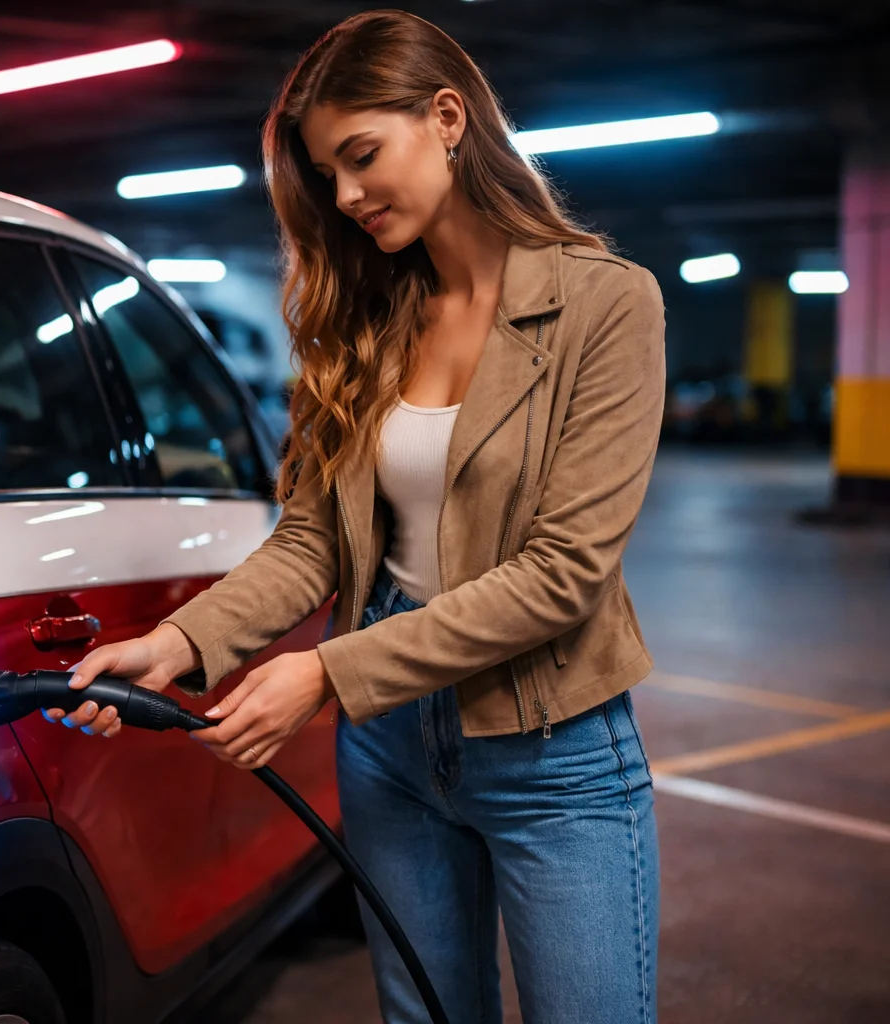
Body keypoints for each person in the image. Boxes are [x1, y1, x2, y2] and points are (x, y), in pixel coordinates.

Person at [50, 10, 665, 1024]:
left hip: (552, 752)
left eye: (361, 155)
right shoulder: (366, 323)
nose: (344, 195)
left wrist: (330, 671)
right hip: (389, 748)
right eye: (326, 172)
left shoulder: (608, 304)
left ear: (450, 116)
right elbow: (311, 542)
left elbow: (564, 573)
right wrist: (176, 643)